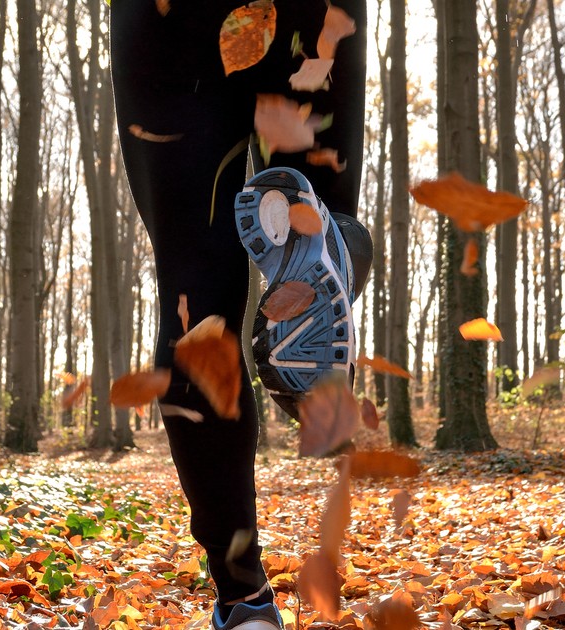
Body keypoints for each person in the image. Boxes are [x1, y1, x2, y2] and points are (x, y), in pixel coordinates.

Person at [109, 2, 372, 629]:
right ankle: (330, 257)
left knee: (198, 308)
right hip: (310, 13)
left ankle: (244, 598)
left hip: (169, 24)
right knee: (319, 215)